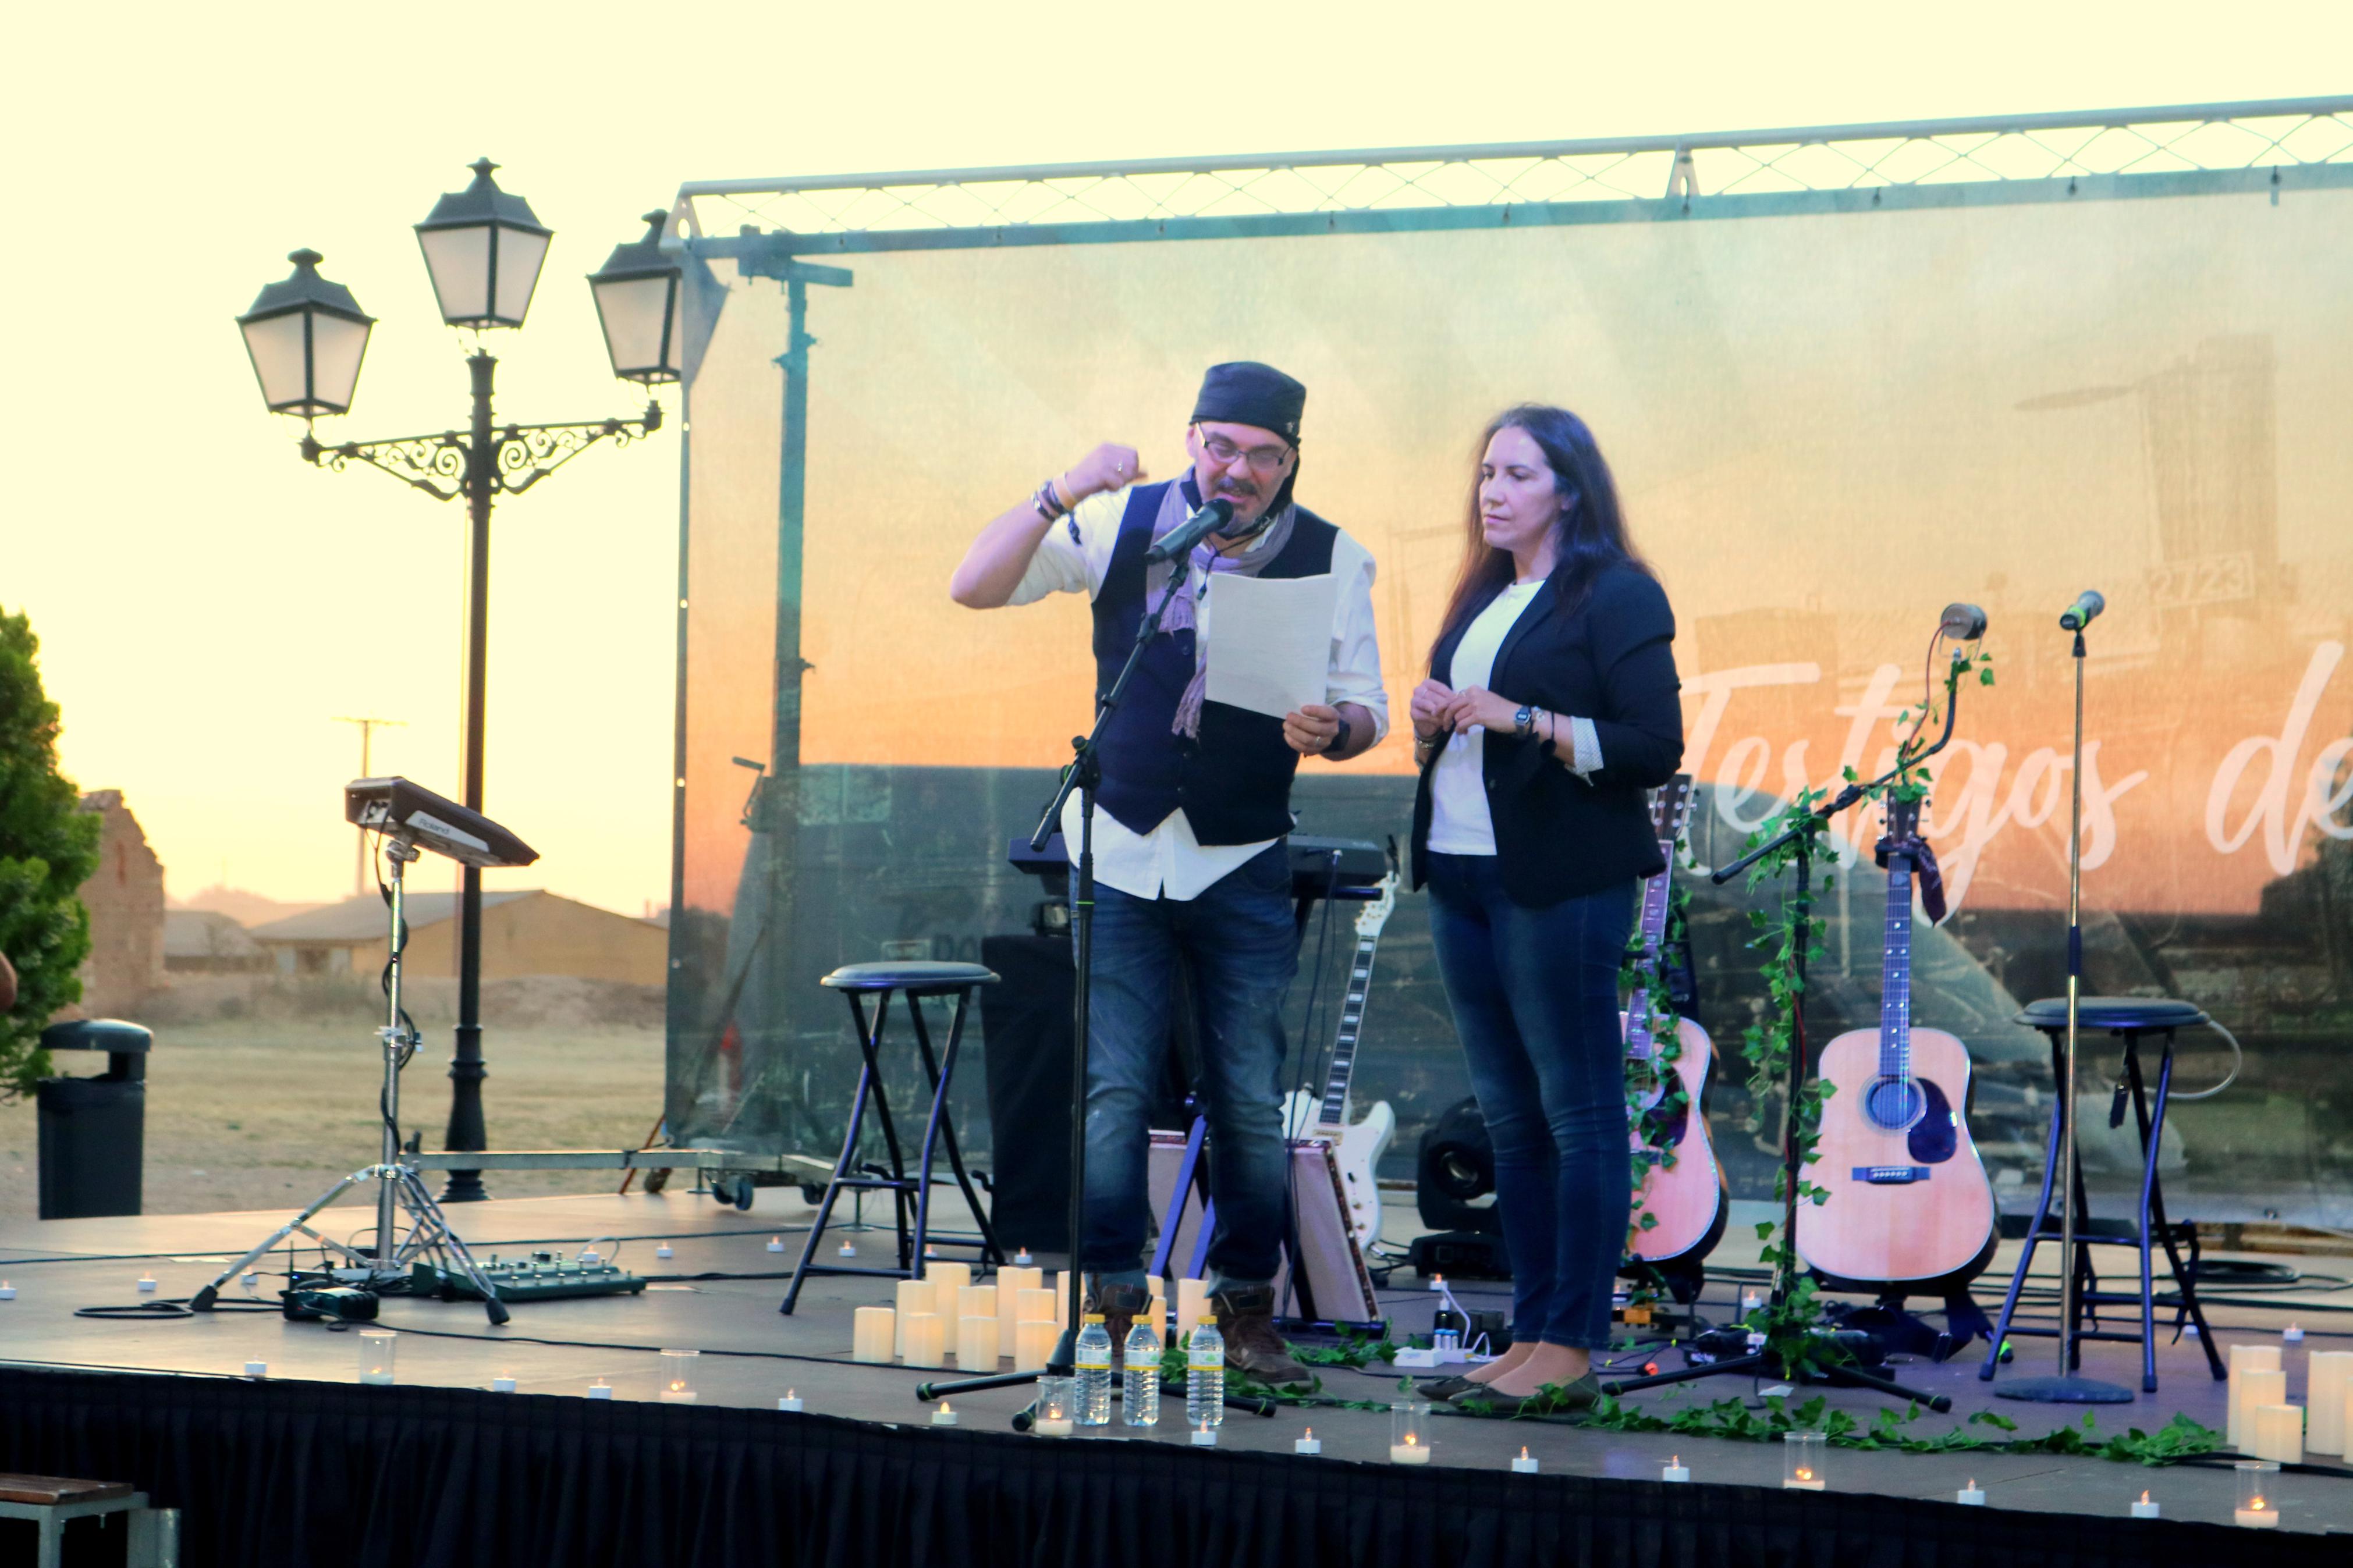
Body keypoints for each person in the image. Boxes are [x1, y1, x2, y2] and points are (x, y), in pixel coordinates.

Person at [950, 362, 1387, 1387]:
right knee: (1109, 1094)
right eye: (1220, 446)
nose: (1238, 469)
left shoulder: (1335, 556)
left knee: (1244, 1095)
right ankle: (1108, 1308)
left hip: (1240, 854)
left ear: (1290, 461)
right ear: (1192, 439)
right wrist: (1063, 489)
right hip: (1124, 845)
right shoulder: (1124, 523)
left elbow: (1365, 706)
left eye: (1263, 455)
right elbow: (973, 584)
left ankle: (1246, 1312)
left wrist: (1337, 729)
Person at [1406, 404, 1683, 1410]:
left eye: (1517, 474)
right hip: (1465, 871)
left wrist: (1526, 719)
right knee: (1513, 1124)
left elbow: (1655, 746)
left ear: (1568, 488)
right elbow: (1470, 724)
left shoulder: (1616, 595)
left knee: (1579, 1115)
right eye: (1486, 473)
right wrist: (1434, 716)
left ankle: (1572, 1342)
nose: (1492, 491)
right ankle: (1529, 1333)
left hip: (1562, 883)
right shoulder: (1487, 597)